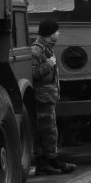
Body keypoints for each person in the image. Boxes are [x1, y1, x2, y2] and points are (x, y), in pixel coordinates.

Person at [27, 19, 78, 174]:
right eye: (56, 31)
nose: (58, 33)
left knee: (47, 129)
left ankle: (47, 161)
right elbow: (32, 73)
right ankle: (49, 161)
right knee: (47, 130)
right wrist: (48, 64)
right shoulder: (37, 51)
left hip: (47, 95)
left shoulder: (47, 49)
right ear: (50, 34)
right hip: (41, 96)